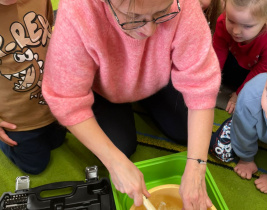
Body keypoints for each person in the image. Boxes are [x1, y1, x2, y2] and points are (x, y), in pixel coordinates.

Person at [42, 0, 221, 208]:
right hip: (104, 88)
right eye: (134, 19)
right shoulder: (77, 9)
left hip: (158, 77)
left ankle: (145, 92)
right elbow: (66, 99)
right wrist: (113, 160)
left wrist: (197, 165)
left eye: (162, 13)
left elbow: (202, 83)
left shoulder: (183, 5)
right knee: (121, 147)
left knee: (187, 133)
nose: (150, 30)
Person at [210, 37, 267, 193]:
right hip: (250, 122)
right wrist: (246, 159)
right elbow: (243, 129)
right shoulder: (252, 92)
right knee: (220, 149)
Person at [0, 0, 66, 175]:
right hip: (16, 119)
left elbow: (48, 31)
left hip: (51, 102)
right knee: (35, 165)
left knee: (57, 141)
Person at [213, 0, 267, 114]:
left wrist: (240, 94)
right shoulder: (223, 21)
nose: (236, 31)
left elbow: (262, 72)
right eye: (231, 20)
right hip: (244, 55)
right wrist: (213, 79)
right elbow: (218, 51)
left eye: (248, 26)